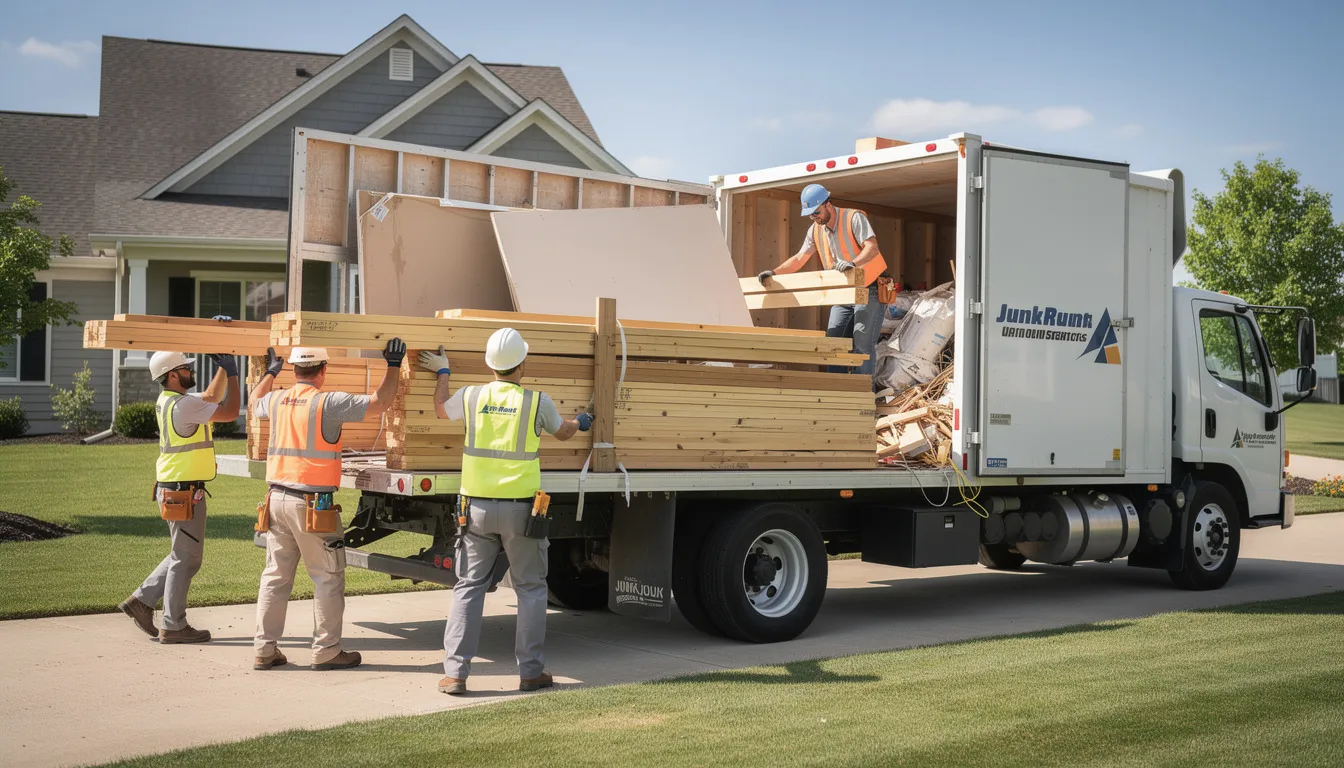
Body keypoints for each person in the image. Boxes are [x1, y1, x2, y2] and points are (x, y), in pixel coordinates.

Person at [418, 328, 592, 695]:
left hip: (476, 510)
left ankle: (455, 675)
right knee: (530, 589)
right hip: (522, 514)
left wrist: (444, 372)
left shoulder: (471, 396)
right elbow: (563, 433)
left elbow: (438, 409)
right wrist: (582, 422)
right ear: (522, 363)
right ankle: (530, 673)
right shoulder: (536, 401)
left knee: (468, 588)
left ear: (489, 364)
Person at [248, 340, 405, 671]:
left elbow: (253, 402)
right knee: (327, 577)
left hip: (275, 500)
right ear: (322, 370)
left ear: (292, 370)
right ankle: (327, 651)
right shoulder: (327, 402)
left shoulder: (276, 399)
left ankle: (264, 649)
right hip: (312, 507)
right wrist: (393, 364)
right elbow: (381, 403)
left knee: (275, 577)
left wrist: (269, 373)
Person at [118, 348, 241, 643]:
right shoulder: (184, 406)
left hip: (176, 488)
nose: (191, 371)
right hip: (182, 492)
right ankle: (173, 626)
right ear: (172, 375)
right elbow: (230, 410)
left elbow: (211, 396)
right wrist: (235, 375)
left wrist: (223, 368)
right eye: (186, 368)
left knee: (182, 554)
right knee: (186, 558)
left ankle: (142, 601)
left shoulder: (170, 400)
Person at [757, 183, 888, 375]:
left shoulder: (853, 217)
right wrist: (774, 273)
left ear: (828, 204)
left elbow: (872, 247)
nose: (814, 217)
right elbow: (800, 258)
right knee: (833, 346)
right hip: (842, 293)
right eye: (811, 215)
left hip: (870, 289)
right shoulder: (815, 230)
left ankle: (862, 401)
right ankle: (835, 399)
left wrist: (853, 263)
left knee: (862, 344)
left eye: (816, 212)